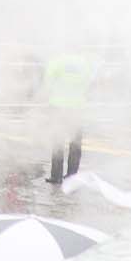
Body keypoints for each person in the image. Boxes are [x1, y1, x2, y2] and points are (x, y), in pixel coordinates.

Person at [42, 48, 95, 186]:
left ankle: (56, 176)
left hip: (58, 105)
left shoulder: (57, 61)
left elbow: (48, 81)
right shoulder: (84, 63)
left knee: (58, 141)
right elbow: (89, 83)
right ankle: (72, 176)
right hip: (77, 107)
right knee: (75, 144)